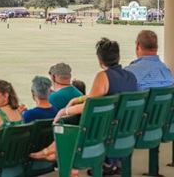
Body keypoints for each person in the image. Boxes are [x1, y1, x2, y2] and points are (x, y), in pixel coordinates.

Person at [30, 38, 137, 177]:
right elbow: (98, 96)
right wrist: (77, 99)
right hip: (125, 129)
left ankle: (56, 153)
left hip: (105, 133)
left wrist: (65, 111)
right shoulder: (131, 76)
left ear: (100, 60)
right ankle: (51, 150)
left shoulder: (103, 76)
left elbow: (91, 106)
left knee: (71, 121)